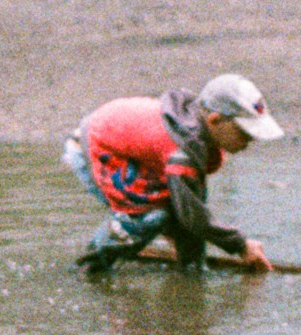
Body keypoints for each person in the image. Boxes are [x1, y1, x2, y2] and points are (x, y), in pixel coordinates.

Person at [66, 74, 284, 275]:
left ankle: (190, 269)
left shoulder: (195, 130)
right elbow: (193, 215)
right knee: (148, 217)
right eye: (244, 133)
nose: (249, 141)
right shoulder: (182, 153)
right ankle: (91, 266)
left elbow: (192, 206)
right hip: (97, 148)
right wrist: (240, 244)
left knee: (181, 207)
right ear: (215, 120)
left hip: (122, 142)